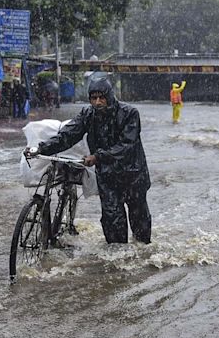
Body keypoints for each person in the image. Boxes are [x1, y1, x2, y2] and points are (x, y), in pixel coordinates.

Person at [28, 77, 152, 244]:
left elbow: (126, 145)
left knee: (139, 221)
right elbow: (68, 135)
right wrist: (42, 148)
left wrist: (98, 157)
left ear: (110, 96)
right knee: (112, 220)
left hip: (133, 175)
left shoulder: (129, 113)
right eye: (94, 98)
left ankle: (142, 255)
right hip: (108, 177)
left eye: (102, 97)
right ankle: (118, 260)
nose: (98, 102)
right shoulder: (88, 114)